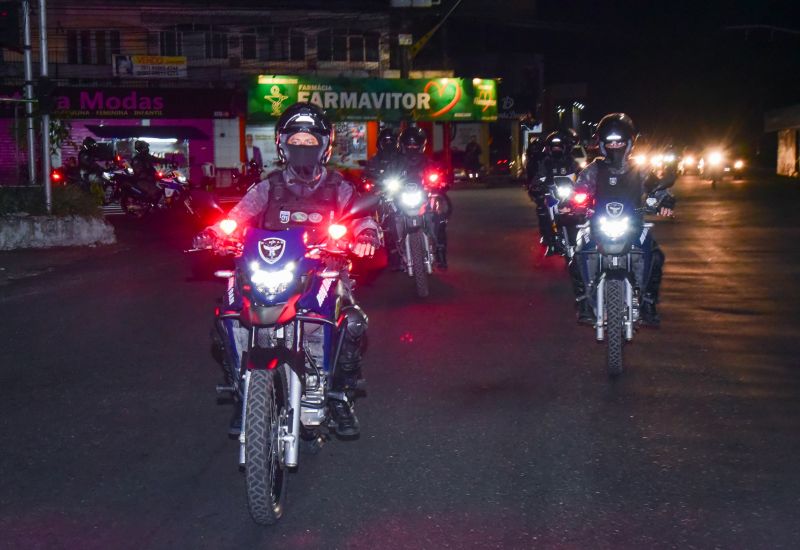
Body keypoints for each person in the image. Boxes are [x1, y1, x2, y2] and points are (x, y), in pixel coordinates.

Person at [197, 102, 381, 436]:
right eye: (296, 140)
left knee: (352, 323)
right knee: (226, 314)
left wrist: (366, 233)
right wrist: (215, 232)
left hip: (323, 271)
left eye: (310, 142)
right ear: (283, 144)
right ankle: (242, 392)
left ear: (324, 146)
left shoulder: (339, 186)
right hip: (267, 268)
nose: (302, 148)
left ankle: (338, 395)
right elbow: (237, 215)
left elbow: (361, 216)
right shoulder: (269, 186)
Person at [568, 113, 675, 325]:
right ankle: (583, 303)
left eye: (619, 141)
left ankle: (648, 303)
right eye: (610, 141)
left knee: (656, 256)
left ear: (629, 143)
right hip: (597, 223)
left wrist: (664, 201)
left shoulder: (640, 170)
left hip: (634, 224)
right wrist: (572, 202)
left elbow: (656, 188)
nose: (614, 145)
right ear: (602, 144)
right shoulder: (593, 169)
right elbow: (578, 190)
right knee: (577, 254)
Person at [392, 126, 451, 269]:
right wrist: (386, 184)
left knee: (439, 218)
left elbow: (437, 174)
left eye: (415, 144)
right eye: (409, 144)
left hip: (423, 197)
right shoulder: (396, 163)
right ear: (403, 145)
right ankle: (394, 254)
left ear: (421, 145)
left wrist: (440, 181)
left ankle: (440, 251)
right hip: (402, 197)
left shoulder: (427, 161)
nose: (412, 147)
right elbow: (388, 176)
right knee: (391, 219)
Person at [532, 131, 581, 256]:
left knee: (583, 210)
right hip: (552, 194)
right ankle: (549, 240)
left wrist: (583, 187)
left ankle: (582, 238)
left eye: (559, 146)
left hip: (569, 195)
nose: (556, 149)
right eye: (554, 146)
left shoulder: (571, 162)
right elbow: (537, 177)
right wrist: (537, 188)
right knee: (542, 210)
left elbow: (581, 175)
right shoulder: (545, 162)